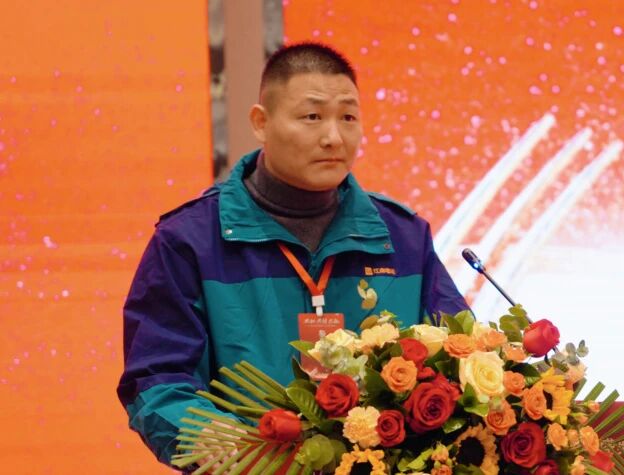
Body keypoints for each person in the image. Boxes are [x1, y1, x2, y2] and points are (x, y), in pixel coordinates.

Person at [117, 42, 470, 467]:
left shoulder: (403, 237)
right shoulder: (190, 240)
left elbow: (460, 360)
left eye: (348, 117)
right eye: (312, 117)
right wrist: (240, 454)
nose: (333, 137)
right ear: (261, 123)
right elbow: (157, 381)